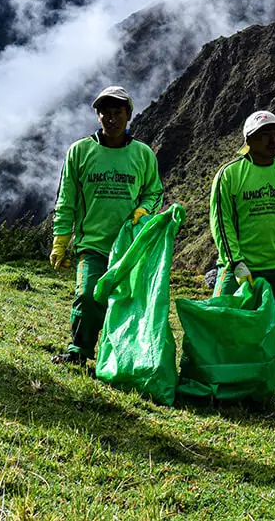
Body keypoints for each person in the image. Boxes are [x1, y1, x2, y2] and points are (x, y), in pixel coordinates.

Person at [49, 85, 163, 364]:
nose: (111, 119)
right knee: (88, 298)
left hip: (130, 248)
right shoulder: (79, 151)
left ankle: (123, 360)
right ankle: (79, 352)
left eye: (117, 113)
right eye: (104, 113)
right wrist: (61, 241)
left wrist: (143, 209)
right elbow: (67, 200)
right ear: (97, 116)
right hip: (93, 245)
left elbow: (154, 191)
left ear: (128, 115)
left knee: (126, 306)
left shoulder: (143, 154)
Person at [209, 110, 275, 369]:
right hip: (241, 271)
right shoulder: (230, 174)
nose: (272, 141)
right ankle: (222, 389)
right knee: (226, 330)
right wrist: (236, 262)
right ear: (249, 139)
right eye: (264, 135)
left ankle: (266, 392)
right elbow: (221, 225)